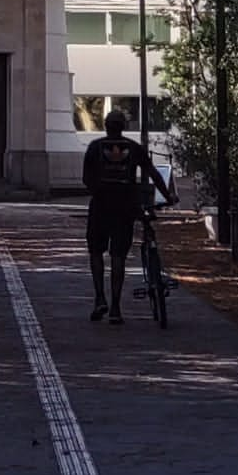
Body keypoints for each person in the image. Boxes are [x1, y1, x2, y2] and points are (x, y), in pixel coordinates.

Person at [82, 109, 175, 325]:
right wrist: (167, 195)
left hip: (100, 206)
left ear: (106, 126)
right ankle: (115, 307)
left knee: (96, 252)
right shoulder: (134, 149)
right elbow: (152, 172)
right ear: (123, 127)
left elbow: (86, 178)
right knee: (118, 257)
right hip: (125, 207)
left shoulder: (95, 147)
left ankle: (99, 299)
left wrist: (99, 189)